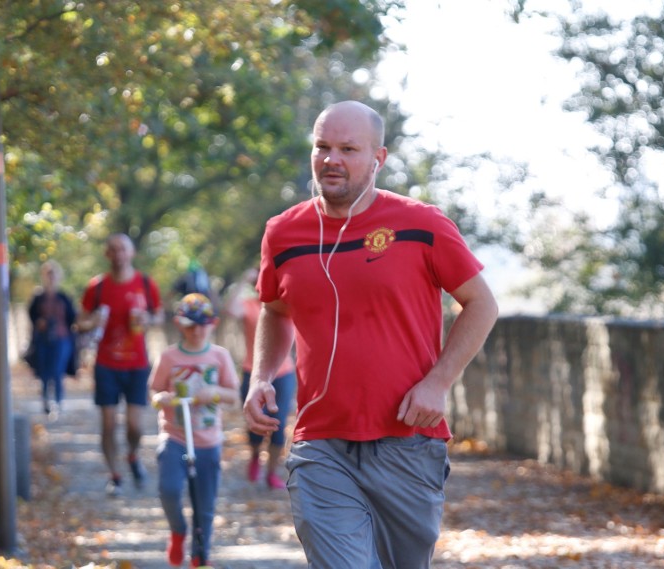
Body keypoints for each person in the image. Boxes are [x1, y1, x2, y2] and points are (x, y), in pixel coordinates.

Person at [243, 100, 499, 568]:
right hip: (320, 443)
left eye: (347, 148)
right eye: (322, 146)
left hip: (407, 441)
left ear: (377, 159)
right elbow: (275, 310)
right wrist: (261, 376)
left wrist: (438, 382)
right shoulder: (283, 232)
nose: (331, 159)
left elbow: (482, 304)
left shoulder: (422, 224)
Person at [150, 293, 239, 568]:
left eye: (202, 324)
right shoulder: (169, 356)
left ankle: (201, 556)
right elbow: (155, 390)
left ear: (212, 324)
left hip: (208, 439)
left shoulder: (219, 356)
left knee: (205, 504)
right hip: (175, 436)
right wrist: (161, 398)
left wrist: (214, 392)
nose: (196, 330)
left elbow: (234, 395)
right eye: (190, 325)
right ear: (179, 324)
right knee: (169, 489)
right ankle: (178, 530)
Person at [77, 233, 165, 496]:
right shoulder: (97, 287)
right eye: (113, 249)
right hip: (106, 364)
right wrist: (92, 322)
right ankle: (114, 474)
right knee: (108, 424)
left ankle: (133, 456)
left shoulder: (146, 284)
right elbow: (80, 321)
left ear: (132, 253)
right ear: (107, 254)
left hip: (138, 364)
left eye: (123, 249)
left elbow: (159, 316)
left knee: (135, 426)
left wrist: (147, 320)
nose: (118, 254)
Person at [223, 266, 296, 489]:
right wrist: (244, 280)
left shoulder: (288, 303)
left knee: (279, 423)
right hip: (252, 371)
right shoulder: (249, 306)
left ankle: (272, 472)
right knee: (255, 422)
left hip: (284, 373)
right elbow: (229, 310)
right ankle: (255, 456)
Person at [27, 260, 77, 417]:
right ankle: (45, 401)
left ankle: (58, 401)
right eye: (48, 274)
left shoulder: (64, 297)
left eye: (54, 274)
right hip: (42, 339)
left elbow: (72, 318)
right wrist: (39, 323)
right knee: (44, 372)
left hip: (62, 339)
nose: (51, 277)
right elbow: (32, 316)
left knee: (57, 371)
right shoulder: (38, 298)